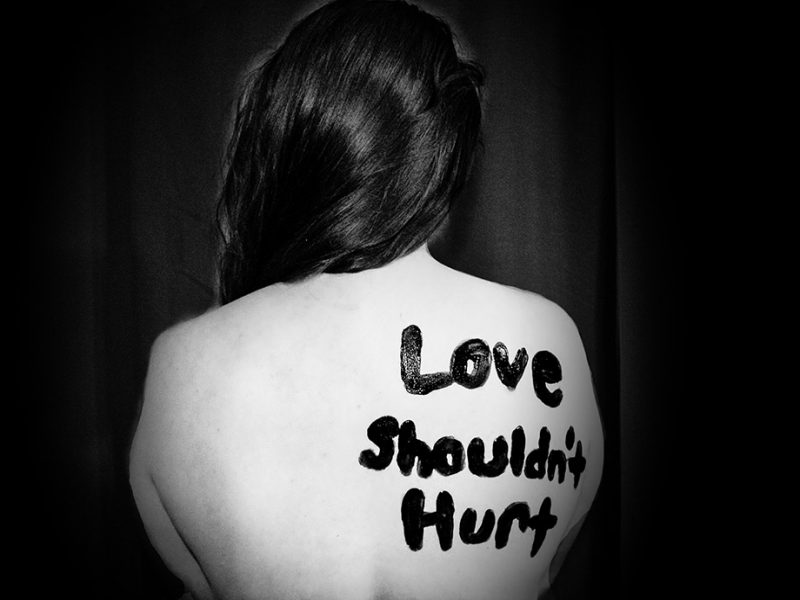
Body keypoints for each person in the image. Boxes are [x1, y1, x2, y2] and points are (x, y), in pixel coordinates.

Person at [128, 1, 604, 599]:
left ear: (287, 140)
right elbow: (546, 557)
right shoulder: (545, 342)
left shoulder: (184, 365)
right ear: (444, 153)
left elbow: (200, 579)